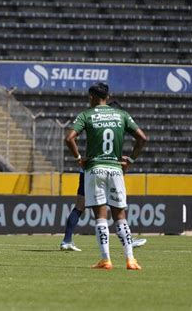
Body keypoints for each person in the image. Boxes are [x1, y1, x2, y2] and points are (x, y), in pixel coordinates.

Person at [65, 83, 147, 270]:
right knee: (121, 216)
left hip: (94, 169)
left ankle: (106, 260)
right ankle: (130, 259)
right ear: (108, 97)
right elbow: (142, 138)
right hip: (116, 169)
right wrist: (131, 160)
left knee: (100, 217)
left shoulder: (87, 115)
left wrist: (79, 159)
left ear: (92, 97)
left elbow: (69, 138)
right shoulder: (122, 115)